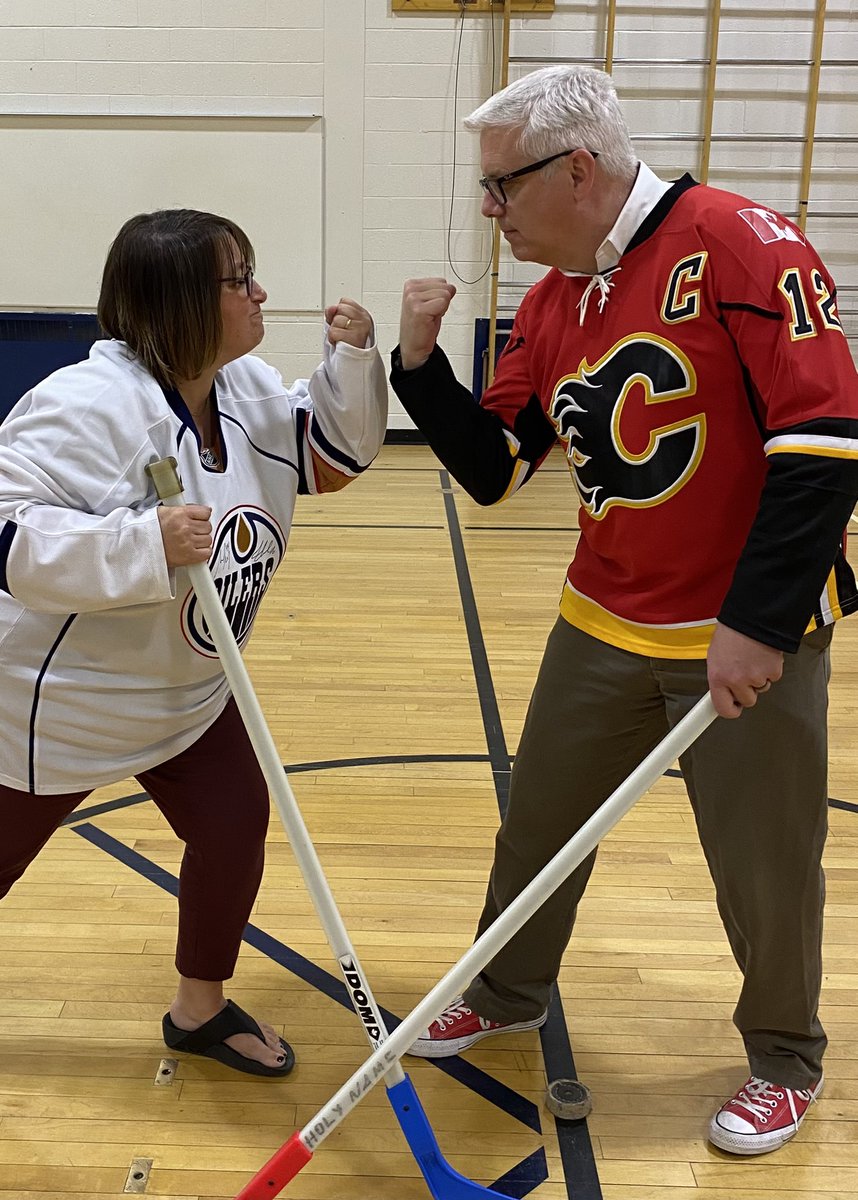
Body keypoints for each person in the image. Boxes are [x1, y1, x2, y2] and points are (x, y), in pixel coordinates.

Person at [389, 66, 858, 1155]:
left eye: (502, 186)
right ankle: (507, 990)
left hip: (744, 633)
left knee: (765, 861)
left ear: (578, 169)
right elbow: (499, 467)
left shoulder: (742, 244)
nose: (489, 210)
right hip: (601, 620)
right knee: (539, 829)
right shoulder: (554, 299)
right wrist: (418, 368)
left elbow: (825, 443)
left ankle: (785, 1057)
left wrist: (759, 623)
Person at [0, 208, 387, 1077]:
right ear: (178, 300)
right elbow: (6, 533)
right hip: (55, 708)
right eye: (239, 279)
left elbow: (328, 458)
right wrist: (139, 542)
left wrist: (356, 361)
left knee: (234, 825)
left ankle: (199, 1009)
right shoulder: (84, 407)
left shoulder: (243, 387)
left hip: (188, 691)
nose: (260, 293)